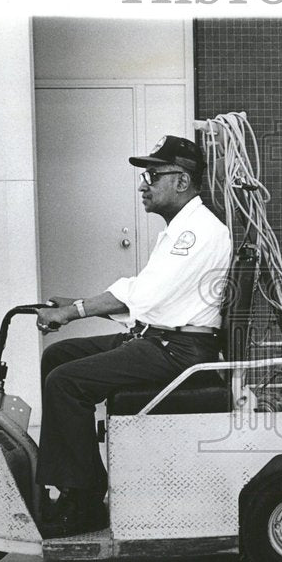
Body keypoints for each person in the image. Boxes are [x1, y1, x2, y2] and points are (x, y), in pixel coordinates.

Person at [34, 135, 232, 538]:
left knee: (65, 383)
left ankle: (86, 499)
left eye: (153, 175)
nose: (144, 184)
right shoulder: (180, 229)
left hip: (179, 351)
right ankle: (77, 481)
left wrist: (74, 311)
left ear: (181, 181)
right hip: (159, 338)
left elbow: (145, 295)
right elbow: (149, 299)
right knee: (58, 357)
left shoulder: (198, 233)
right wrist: (79, 303)